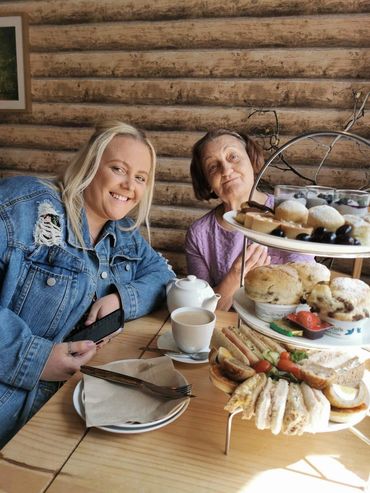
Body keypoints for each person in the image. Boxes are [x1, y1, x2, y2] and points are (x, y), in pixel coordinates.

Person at [0, 121, 175, 447]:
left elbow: (164, 275)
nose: (129, 185)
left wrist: (122, 298)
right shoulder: (24, 206)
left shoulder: (123, 235)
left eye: (140, 178)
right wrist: (36, 358)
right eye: (118, 169)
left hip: (73, 407)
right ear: (91, 164)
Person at [185, 129, 314, 311]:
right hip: (227, 329)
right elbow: (201, 311)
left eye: (233, 157)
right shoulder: (199, 234)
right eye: (213, 167)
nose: (226, 170)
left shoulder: (289, 216)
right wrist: (235, 276)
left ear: (252, 162)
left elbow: (306, 291)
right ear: (207, 183)